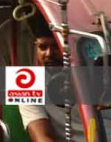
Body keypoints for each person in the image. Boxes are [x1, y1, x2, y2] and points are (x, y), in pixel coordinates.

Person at [19, 13, 84, 141]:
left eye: (56, 47)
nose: (49, 54)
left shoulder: (108, 73)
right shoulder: (25, 81)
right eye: (42, 47)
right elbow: (42, 137)